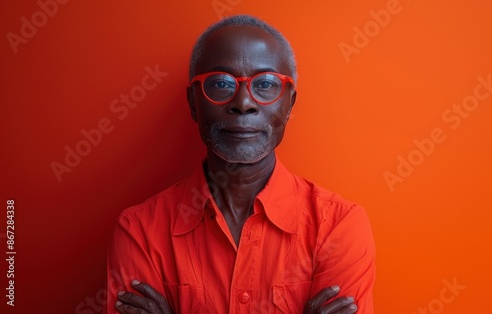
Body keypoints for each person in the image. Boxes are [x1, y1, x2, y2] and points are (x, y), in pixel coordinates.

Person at [107, 14, 375, 314]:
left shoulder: (337, 226)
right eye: (221, 83)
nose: (244, 102)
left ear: (289, 105)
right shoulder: (140, 231)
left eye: (265, 84)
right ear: (193, 103)